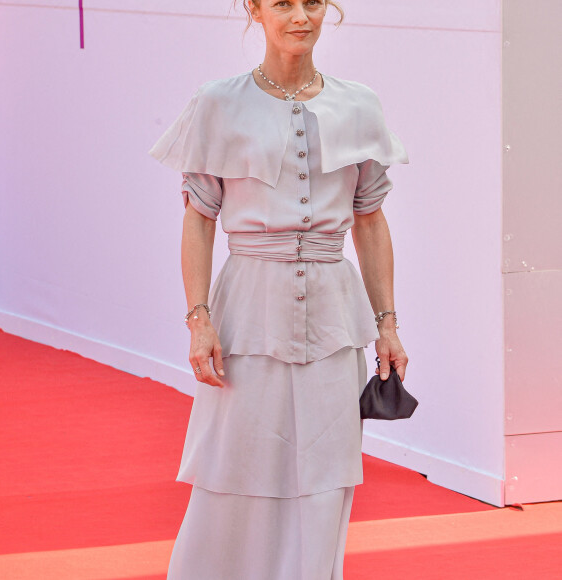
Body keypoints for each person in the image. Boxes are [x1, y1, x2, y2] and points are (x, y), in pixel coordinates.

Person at [149, 1, 409, 578]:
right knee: (234, 465)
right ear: (255, 10)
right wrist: (199, 318)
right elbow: (199, 218)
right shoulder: (218, 102)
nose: (299, 16)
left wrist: (387, 323)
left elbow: (369, 220)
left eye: (312, 2)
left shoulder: (358, 104)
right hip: (246, 309)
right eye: (282, 3)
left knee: (326, 472)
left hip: (335, 317)